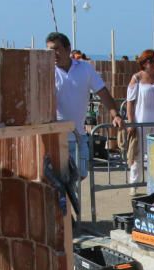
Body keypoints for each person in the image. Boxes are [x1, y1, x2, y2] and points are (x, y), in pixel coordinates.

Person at [47, 32, 122, 181]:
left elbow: (103, 92)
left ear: (68, 49)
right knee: (60, 182)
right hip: (56, 138)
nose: (53, 54)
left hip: (79, 136)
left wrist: (116, 115)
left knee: (80, 176)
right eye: (49, 50)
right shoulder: (47, 71)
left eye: (56, 49)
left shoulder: (85, 69)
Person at [125, 49, 154, 184]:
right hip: (141, 121)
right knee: (138, 154)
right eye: (151, 61)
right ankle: (134, 183)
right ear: (144, 63)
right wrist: (131, 122)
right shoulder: (136, 78)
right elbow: (130, 103)